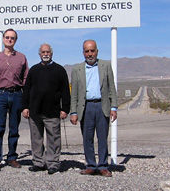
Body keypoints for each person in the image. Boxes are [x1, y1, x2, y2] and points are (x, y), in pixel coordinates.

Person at [70, 39, 117, 177]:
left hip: (102, 106)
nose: (90, 54)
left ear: (97, 51)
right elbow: (74, 93)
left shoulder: (106, 65)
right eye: (87, 51)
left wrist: (114, 107)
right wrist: (73, 112)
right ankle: (90, 165)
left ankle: (103, 166)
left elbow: (111, 88)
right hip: (86, 108)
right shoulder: (77, 69)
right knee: (87, 138)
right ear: (83, 53)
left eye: (92, 50)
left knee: (103, 138)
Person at [22, 44, 70, 175]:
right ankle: (38, 162)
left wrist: (65, 108)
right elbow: (26, 89)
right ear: (39, 54)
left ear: (52, 53)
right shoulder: (34, 70)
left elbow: (65, 91)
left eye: (48, 51)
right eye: (43, 52)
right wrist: (25, 106)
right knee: (36, 138)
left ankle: (53, 163)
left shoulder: (59, 70)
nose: (45, 54)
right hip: (35, 110)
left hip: (53, 111)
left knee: (53, 138)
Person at [0, 29, 29, 171]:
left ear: (16, 40)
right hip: (1, 95)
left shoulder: (22, 57)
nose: (9, 40)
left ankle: (12, 157)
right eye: (7, 37)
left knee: (14, 128)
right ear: (3, 39)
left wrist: (26, 100)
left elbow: (26, 79)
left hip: (17, 94)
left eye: (12, 38)